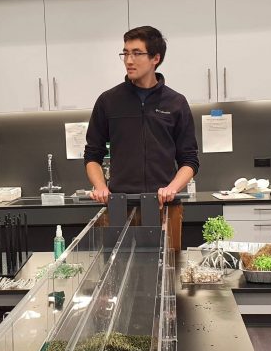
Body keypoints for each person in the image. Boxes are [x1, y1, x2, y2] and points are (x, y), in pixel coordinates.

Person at [83, 25, 199, 250]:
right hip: (119, 207)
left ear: (156, 58)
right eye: (125, 53)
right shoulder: (108, 101)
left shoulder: (176, 103)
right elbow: (92, 155)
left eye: (137, 53)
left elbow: (190, 160)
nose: (129, 60)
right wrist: (100, 186)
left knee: (167, 273)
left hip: (165, 207)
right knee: (118, 274)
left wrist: (172, 188)